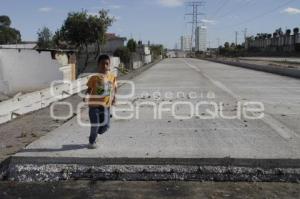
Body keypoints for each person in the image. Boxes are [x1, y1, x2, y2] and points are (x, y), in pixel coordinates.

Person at [84, 55, 117, 149]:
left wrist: (114, 98)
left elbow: (115, 88)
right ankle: (92, 141)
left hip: (106, 106)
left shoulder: (112, 77)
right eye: (102, 63)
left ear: (109, 65)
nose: (104, 66)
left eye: (107, 64)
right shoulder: (94, 77)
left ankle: (95, 134)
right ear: (98, 64)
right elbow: (89, 89)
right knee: (96, 124)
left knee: (106, 126)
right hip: (94, 106)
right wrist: (86, 96)